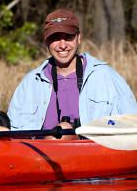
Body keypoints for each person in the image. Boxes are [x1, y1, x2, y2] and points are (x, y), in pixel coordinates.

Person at [7, 9, 137, 140]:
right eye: (55, 39)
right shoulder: (31, 82)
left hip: (91, 155)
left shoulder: (105, 75)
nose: (62, 45)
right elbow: (13, 134)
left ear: (78, 38)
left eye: (68, 38)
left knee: (63, 131)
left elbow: (132, 126)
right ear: (46, 41)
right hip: (38, 156)